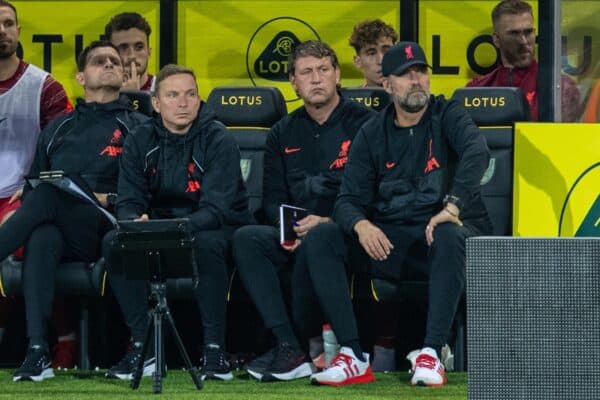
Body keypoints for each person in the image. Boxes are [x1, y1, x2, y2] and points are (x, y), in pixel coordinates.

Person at [309, 41, 492, 387]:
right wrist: (362, 225)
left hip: (443, 242)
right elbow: (347, 199)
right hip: (391, 244)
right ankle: (352, 355)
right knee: (323, 237)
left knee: (449, 232)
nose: (416, 81)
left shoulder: (447, 113)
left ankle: (432, 353)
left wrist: (451, 207)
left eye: (421, 72)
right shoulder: (372, 133)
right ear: (387, 84)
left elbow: (476, 151)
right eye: (405, 76)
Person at [0, 40, 149, 382]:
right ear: (81, 77)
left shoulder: (138, 125)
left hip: (108, 225)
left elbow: (144, 189)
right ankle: (38, 351)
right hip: (62, 226)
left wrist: (102, 197)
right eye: (100, 61)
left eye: (115, 61)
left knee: (47, 198)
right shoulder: (58, 128)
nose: (110, 64)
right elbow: (37, 179)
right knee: (42, 232)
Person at [232, 40, 375, 384]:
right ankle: (289, 348)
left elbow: (374, 194)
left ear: (338, 75)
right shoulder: (282, 132)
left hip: (348, 235)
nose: (316, 79)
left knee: (323, 236)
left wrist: (327, 221)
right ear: (293, 83)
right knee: (247, 238)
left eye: (324, 70)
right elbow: (272, 200)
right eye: (306, 72)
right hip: (298, 236)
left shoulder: (366, 125)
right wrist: (290, 231)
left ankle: (353, 352)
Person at [103, 64, 252, 381]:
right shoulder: (140, 139)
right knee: (114, 242)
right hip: (161, 228)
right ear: (156, 103)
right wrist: (134, 221)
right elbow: (129, 201)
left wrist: (172, 230)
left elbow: (216, 210)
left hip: (210, 228)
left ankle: (214, 351)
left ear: (199, 100)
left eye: (190, 94)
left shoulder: (218, 139)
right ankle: (145, 349)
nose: (183, 103)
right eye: (173, 95)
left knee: (208, 243)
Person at [0, 0, 75, 369]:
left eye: (8, 23)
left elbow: (67, 146)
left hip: (22, 192)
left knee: (26, 237)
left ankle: (63, 339)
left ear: (18, 31)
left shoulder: (45, 86)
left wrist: (32, 184)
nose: (2, 30)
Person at [467, 0, 580, 122]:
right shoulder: (474, 92)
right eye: (514, 33)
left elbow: (562, 139)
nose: (524, 41)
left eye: (528, 32)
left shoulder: (562, 89)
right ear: (497, 39)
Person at [104, 12, 154, 92]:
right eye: (123, 48)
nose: (132, 55)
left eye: (139, 47)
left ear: (149, 52)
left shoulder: (168, 90)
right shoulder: (100, 97)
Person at [349, 19, 398, 87]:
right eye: (372, 53)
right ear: (358, 62)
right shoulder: (350, 97)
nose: (381, 61)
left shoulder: (412, 95)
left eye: (387, 51)